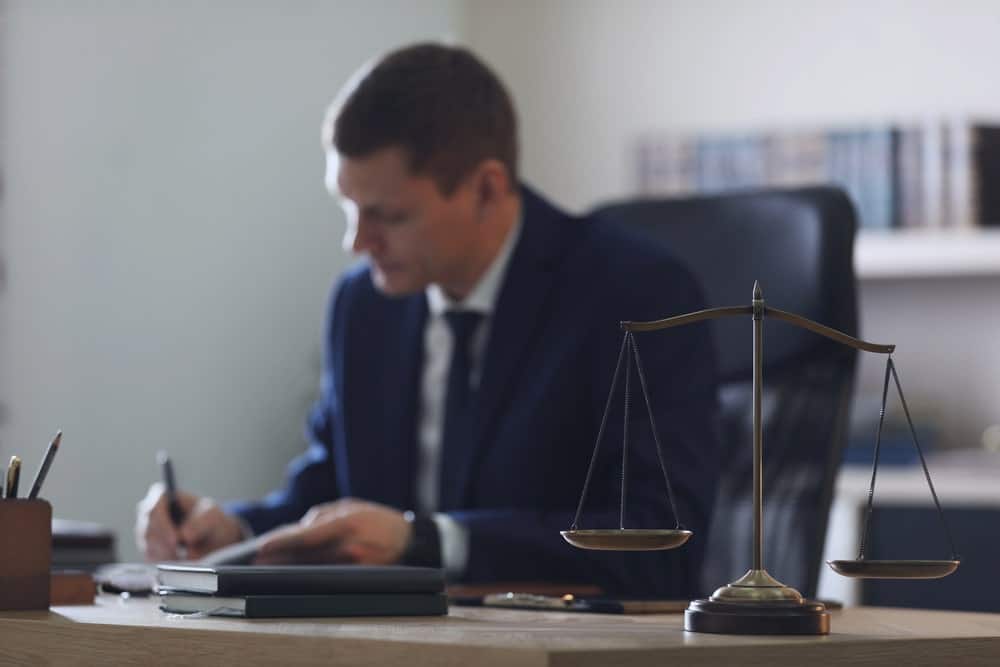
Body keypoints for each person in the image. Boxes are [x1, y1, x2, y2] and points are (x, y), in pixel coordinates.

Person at [136, 43, 719, 597]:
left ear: (485, 190)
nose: (356, 242)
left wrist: (431, 542)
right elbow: (331, 496)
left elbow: (659, 544)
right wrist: (232, 530)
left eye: (388, 215)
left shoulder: (635, 293)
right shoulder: (362, 305)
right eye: (347, 207)